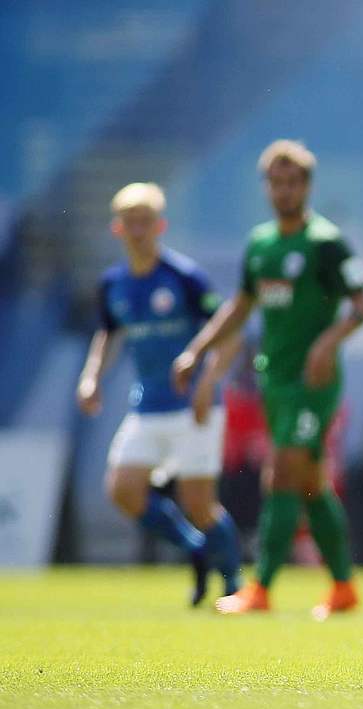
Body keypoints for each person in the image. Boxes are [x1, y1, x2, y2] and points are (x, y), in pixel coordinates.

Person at [174, 140, 363, 619]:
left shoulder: (326, 243)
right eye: (275, 183)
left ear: (306, 186)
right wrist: (197, 350)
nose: (283, 190)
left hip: (314, 382)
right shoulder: (261, 244)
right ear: (267, 187)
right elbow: (240, 307)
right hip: (275, 380)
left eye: (292, 182)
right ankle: (343, 586)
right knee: (310, 483)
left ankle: (259, 588)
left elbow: (362, 308)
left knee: (279, 473)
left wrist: (327, 343)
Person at [76, 182, 242, 605]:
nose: (137, 231)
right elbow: (108, 333)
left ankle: (235, 584)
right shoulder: (112, 284)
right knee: (122, 490)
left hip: (194, 407)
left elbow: (228, 332)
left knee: (200, 506)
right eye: (130, 223)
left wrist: (208, 384)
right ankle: (194, 547)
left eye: (145, 222)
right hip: (147, 405)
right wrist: (92, 376)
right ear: (118, 229)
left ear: (160, 226)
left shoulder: (184, 278)